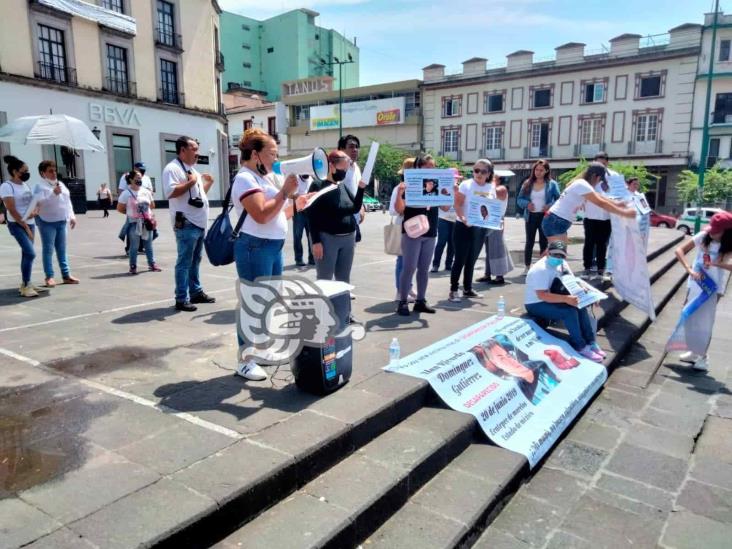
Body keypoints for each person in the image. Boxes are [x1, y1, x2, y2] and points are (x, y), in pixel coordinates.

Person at [232, 128, 302, 381]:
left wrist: (298, 202)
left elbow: (277, 215)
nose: (276, 158)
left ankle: (259, 350)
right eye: (271, 153)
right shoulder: (245, 179)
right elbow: (261, 214)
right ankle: (245, 359)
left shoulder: (265, 178)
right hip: (254, 246)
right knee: (253, 303)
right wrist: (284, 192)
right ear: (254, 154)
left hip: (271, 246)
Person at [523, 241, 605, 362]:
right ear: (547, 252)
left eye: (561, 255)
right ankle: (579, 345)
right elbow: (542, 295)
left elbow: (574, 281)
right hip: (535, 303)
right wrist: (566, 299)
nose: (558, 258)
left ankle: (590, 341)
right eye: (554, 254)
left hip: (554, 296)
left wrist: (591, 295)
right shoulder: (540, 270)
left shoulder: (563, 264)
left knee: (580, 305)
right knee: (569, 311)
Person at [671, 212, 732, 371]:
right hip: (696, 282)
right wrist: (689, 269)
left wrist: (717, 264)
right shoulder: (704, 235)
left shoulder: (729, 244)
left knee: (705, 320)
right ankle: (693, 350)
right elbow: (679, 250)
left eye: (717, 231)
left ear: (727, 232)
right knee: (689, 316)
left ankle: (703, 357)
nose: (712, 233)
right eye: (712, 229)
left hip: (713, 287)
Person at [162, 135, 216, 312]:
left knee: (195, 260)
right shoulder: (173, 169)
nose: (197, 153)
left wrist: (206, 183)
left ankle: (196, 292)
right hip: (186, 223)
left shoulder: (193, 170)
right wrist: (191, 182)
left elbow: (199, 197)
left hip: (198, 223)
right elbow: (170, 192)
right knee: (184, 261)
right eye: (194, 149)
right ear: (182, 150)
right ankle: (181, 298)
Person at [307, 149, 365, 285]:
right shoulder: (317, 185)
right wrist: (316, 242)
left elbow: (354, 208)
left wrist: (361, 188)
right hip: (327, 239)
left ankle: (343, 306)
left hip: (348, 239)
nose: (344, 172)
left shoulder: (342, 186)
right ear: (331, 166)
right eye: (343, 168)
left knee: (344, 279)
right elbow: (311, 216)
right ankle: (325, 306)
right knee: (325, 279)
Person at [541, 162, 636, 246]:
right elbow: (601, 203)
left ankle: (544, 263)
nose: (600, 183)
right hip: (555, 221)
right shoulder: (582, 185)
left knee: (556, 254)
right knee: (557, 255)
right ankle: (540, 266)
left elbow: (601, 198)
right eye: (600, 180)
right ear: (596, 176)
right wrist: (624, 213)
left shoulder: (582, 184)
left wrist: (618, 204)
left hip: (557, 220)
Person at [394, 154, 440, 316]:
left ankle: (421, 300)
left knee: (424, 269)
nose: (430, 170)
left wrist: (451, 192)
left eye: (432, 167)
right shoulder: (410, 184)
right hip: (412, 231)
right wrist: (400, 194)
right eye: (426, 167)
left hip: (430, 230)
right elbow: (399, 209)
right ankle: (403, 301)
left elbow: (447, 208)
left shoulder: (437, 184)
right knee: (409, 267)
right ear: (418, 168)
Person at [1, 155, 47, 297]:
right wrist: (25, 226)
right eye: (24, 170)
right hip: (17, 224)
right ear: (15, 171)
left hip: (30, 223)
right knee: (30, 253)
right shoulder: (6, 186)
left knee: (26, 254)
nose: (27, 173)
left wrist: (35, 210)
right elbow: (12, 209)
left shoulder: (25, 185)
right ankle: (26, 284)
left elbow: (33, 202)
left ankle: (26, 283)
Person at [450, 158, 494, 302]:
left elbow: (490, 209)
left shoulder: (490, 187)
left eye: (483, 171)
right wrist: (463, 219)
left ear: (488, 173)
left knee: (472, 260)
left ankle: (467, 289)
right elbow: (457, 205)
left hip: (480, 228)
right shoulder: (466, 185)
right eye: (476, 170)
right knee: (460, 260)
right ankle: (454, 290)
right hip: (463, 227)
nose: (479, 174)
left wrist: (495, 219)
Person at [471, 335, 560, 405]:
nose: (512, 361)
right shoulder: (515, 391)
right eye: (502, 359)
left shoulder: (533, 365)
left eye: (508, 355)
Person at [32, 160, 78, 287]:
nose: (54, 173)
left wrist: (72, 216)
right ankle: (49, 276)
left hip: (61, 220)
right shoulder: (39, 186)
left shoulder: (61, 184)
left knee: (62, 249)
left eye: (54, 170)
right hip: (47, 221)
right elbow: (38, 203)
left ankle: (66, 275)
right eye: (50, 171)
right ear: (43, 173)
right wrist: (53, 194)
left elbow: (67, 201)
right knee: (48, 249)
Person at [516, 159, 560, 274]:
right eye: (536, 169)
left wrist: (550, 205)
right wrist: (527, 204)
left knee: (543, 241)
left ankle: (543, 266)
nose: (538, 172)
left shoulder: (552, 184)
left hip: (545, 217)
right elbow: (519, 199)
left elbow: (559, 200)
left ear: (546, 171)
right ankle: (527, 266)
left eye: (541, 170)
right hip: (530, 216)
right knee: (529, 241)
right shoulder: (527, 183)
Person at [117, 169, 161, 275]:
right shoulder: (126, 194)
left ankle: (152, 264)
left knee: (148, 245)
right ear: (131, 179)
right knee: (134, 246)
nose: (139, 179)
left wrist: (147, 215)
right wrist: (132, 214)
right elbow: (120, 208)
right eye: (137, 178)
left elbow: (152, 205)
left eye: (140, 178)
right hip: (134, 223)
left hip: (146, 222)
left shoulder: (146, 191)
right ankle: (133, 266)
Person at [477, 176, 514, 285]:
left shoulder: (502, 189)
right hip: (488, 220)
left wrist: (490, 184)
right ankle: (487, 274)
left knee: (497, 248)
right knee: (489, 250)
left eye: (493, 177)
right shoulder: (491, 189)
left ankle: (499, 276)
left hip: (496, 221)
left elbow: (493, 193)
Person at [390, 159, 417, 302]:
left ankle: (409, 287)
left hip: (416, 228)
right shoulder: (399, 188)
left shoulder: (419, 187)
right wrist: (403, 208)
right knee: (402, 261)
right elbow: (392, 211)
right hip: (402, 227)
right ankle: (400, 291)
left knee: (412, 261)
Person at [580, 171, 612, 282]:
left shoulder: (610, 184)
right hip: (590, 218)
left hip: (606, 219)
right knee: (589, 244)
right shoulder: (588, 185)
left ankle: (600, 270)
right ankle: (587, 268)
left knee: (602, 246)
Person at [338, 134, 366, 245]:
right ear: (341, 149)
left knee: (349, 255)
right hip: (341, 219)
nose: (355, 149)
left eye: (356, 147)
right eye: (351, 146)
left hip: (354, 219)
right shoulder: (338, 169)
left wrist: (362, 207)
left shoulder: (357, 168)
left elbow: (358, 190)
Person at [431, 167, 459, 273]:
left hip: (455, 219)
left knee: (452, 243)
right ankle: (435, 264)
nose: (454, 180)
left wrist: (456, 193)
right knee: (441, 241)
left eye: (455, 178)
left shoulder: (459, 189)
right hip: (443, 218)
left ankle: (448, 264)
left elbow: (462, 204)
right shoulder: (441, 189)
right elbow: (441, 205)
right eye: (452, 178)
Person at [292, 174, 314, 267]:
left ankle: (312, 258)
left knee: (311, 236)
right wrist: (303, 197)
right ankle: (298, 259)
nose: (307, 175)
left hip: (309, 211)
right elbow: (292, 195)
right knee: (298, 236)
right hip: (298, 212)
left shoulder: (311, 179)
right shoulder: (295, 179)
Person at [628, 177, 650, 251]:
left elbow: (646, 209)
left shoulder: (640, 196)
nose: (636, 186)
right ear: (628, 184)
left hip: (640, 227)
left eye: (637, 184)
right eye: (634, 184)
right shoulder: (624, 195)